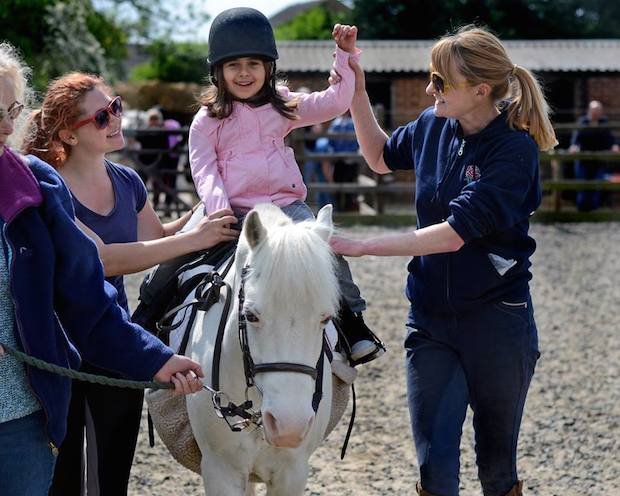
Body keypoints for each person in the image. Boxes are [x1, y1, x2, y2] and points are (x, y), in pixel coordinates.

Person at [330, 26, 558, 496]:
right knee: (434, 467)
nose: (430, 88)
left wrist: (359, 245)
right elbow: (376, 155)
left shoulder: (514, 151)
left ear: (479, 90)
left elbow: (453, 235)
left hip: (498, 321)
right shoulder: (433, 126)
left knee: (496, 467)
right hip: (430, 319)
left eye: (440, 80)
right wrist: (356, 88)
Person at [0, 41, 205, 496]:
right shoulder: (47, 184)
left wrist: (157, 358)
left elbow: (120, 265)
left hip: (65, 368)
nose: (9, 126)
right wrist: (194, 238)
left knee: (104, 473)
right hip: (53, 360)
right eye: (101, 115)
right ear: (70, 134)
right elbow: (107, 257)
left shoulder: (89, 182)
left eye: (114, 108)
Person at [189, 7, 384, 365]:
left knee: (325, 251)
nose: (244, 73)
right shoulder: (207, 120)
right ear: (218, 71)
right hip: (231, 211)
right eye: (234, 65)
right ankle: (152, 311)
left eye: (253, 64)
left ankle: (352, 321)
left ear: (268, 67)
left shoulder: (283, 106)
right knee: (181, 257)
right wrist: (218, 210)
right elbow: (204, 169)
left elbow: (336, 102)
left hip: (285, 206)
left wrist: (343, 55)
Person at [569, 100, 619, 212]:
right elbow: (576, 139)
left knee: (596, 186)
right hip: (583, 161)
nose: (595, 113)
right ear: (589, 111)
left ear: (601, 112)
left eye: (598, 111)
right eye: (594, 110)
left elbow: (610, 139)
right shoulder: (582, 122)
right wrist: (574, 146)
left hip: (599, 161)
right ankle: (581, 211)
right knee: (582, 186)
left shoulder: (604, 122)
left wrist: (614, 146)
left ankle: (594, 211)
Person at [327, 111, 361, 211]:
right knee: (349, 184)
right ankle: (347, 208)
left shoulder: (335, 124)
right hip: (349, 159)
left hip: (339, 160)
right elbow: (357, 141)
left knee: (339, 184)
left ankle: (340, 209)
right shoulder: (353, 123)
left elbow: (330, 141)